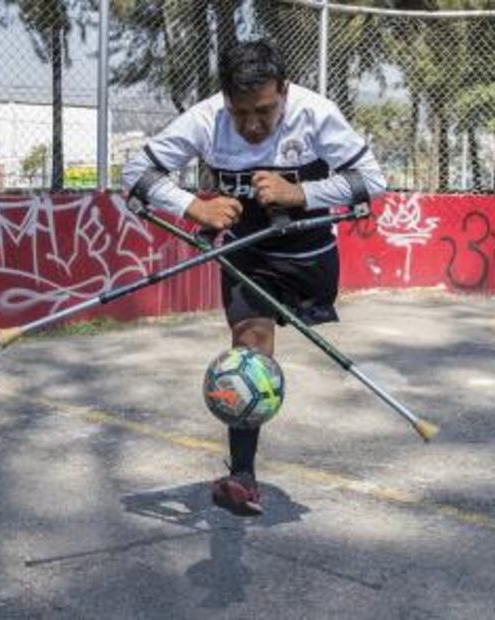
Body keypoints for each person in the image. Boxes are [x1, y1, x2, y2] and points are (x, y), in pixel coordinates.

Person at [122, 39, 386, 517]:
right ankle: (242, 476)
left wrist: (301, 191)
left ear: (283, 91)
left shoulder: (315, 113)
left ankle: (243, 472)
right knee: (250, 348)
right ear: (224, 99)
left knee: (265, 339)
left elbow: (372, 180)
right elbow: (135, 171)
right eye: (240, 112)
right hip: (246, 255)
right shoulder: (206, 119)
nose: (251, 125)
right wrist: (193, 206)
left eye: (264, 111)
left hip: (308, 254)